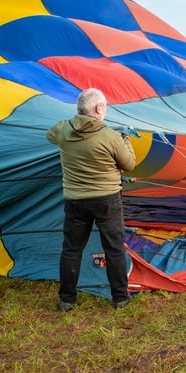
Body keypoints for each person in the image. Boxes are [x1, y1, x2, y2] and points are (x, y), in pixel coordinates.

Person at [46, 88, 136, 311]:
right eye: (104, 107)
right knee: (113, 248)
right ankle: (120, 298)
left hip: (75, 200)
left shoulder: (62, 129)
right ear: (98, 109)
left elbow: (51, 135)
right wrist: (126, 140)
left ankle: (66, 300)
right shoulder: (112, 137)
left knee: (71, 249)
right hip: (106, 200)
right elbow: (129, 165)